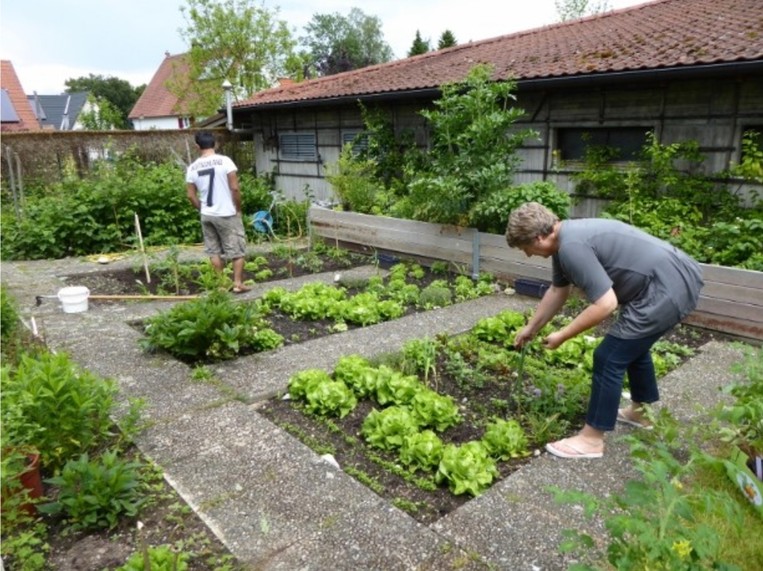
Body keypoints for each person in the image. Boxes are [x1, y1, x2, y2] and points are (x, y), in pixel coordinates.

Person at [505, 202, 703, 459]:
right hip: (672, 277)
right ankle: (640, 414)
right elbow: (557, 291)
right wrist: (531, 328)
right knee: (631, 346)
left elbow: (606, 304)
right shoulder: (565, 241)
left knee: (608, 356)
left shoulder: (572, 247)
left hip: (665, 288)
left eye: (526, 248)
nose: (527, 255)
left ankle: (591, 439)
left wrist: (563, 335)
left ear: (540, 237)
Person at [186, 131, 250, 293]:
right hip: (226, 213)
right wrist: (238, 208)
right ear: (215, 144)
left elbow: (191, 195)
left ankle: (222, 284)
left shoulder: (192, 167)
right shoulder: (225, 161)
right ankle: (237, 284)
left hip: (207, 214)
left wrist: (202, 208)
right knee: (237, 250)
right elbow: (234, 188)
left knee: (213, 251)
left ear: (197, 146)